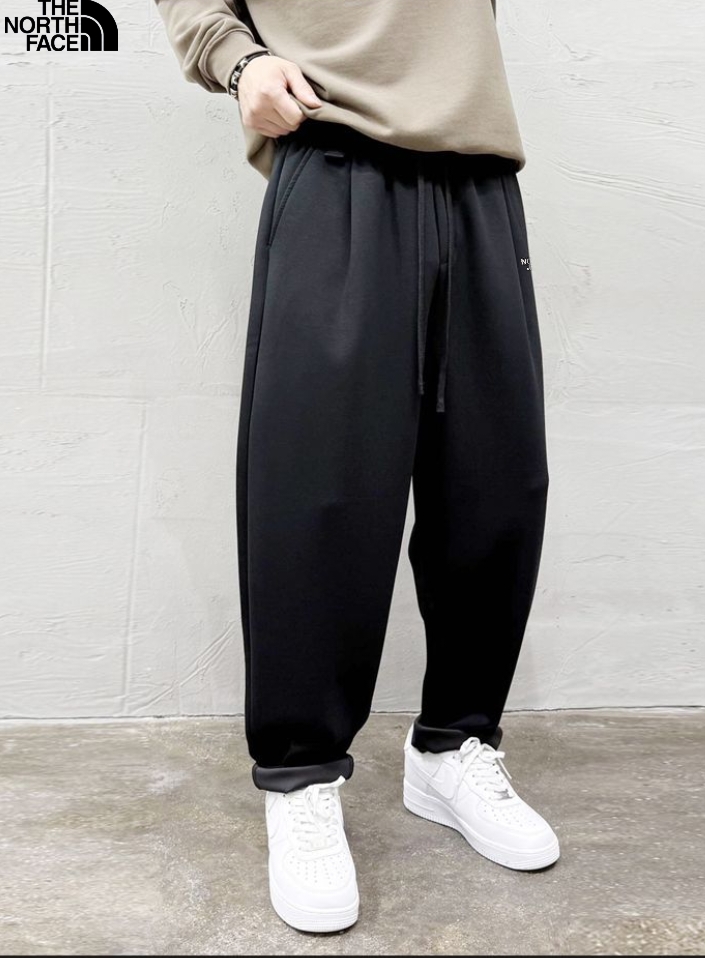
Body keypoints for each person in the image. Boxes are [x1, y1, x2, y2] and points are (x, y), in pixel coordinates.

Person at [155, 0, 559, 934]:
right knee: (319, 489)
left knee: (496, 481)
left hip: (477, 172)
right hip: (336, 160)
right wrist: (237, 59)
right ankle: (300, 774)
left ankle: (452, 747)